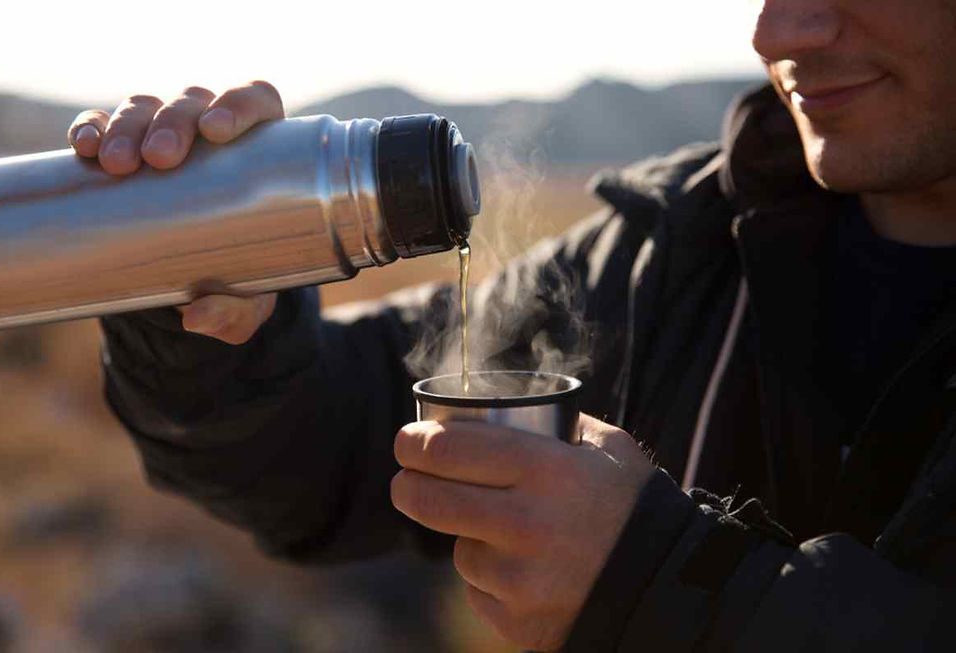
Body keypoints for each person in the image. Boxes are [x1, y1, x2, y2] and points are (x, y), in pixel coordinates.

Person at [66, 1, 955, 650]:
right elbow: (329, 439)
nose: (777, 32)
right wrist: (198, 292)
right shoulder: (683, 244)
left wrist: (666, 584)